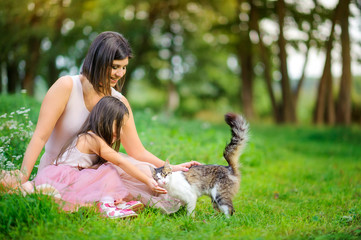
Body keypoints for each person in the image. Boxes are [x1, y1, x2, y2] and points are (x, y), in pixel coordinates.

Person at [1, 31, 199, 214]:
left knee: (148, 175)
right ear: (98, 61)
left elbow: (137, 152)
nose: (120, 74)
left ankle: (106, 200)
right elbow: (40, 136)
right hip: (59, 172)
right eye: (115, 67)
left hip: (95, 172)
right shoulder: (67, 86)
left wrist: (169, 168)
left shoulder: (118, 102)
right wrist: (23, 175)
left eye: (124, 68)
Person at [21, 96, 152, 218]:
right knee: (109, 169)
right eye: (118, 125)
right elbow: (120, 162)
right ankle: (107, 205)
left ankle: (110, 201)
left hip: (66, 178)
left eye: (122, 127)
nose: (120, 132)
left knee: (102, 170)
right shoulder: (92, 138)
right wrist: (147, 180)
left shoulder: (91, 138)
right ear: (103, 120)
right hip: (64, 178)